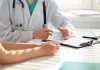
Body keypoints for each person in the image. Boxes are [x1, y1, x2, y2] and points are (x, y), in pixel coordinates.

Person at [0, 0, 74, 42]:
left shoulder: (48, 2)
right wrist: (33, 34)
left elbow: (64, 23)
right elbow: (3, 35)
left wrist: (67, 30)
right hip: (13, 49)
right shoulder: (6, 2)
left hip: (40, 47)